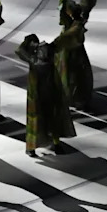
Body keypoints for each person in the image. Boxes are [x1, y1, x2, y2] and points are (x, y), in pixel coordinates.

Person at [16, 25, 81, 156]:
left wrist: (28, 42)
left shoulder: (34, 59)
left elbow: (20, 50)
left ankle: (46, 145)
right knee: (44, 118)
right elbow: (63, 40)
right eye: (42, 51)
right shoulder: (39, 58)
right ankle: (35, 147)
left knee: (49, 118)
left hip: (47, 92)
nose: (45, 53)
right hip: (42, 93)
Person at [57, 0, 99, 111]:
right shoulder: (81, 15)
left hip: (68, 51)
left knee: (69, 76)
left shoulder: (70, 24)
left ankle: (70, 98)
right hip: (75, 51)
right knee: (79, 75)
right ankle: (78, 99)